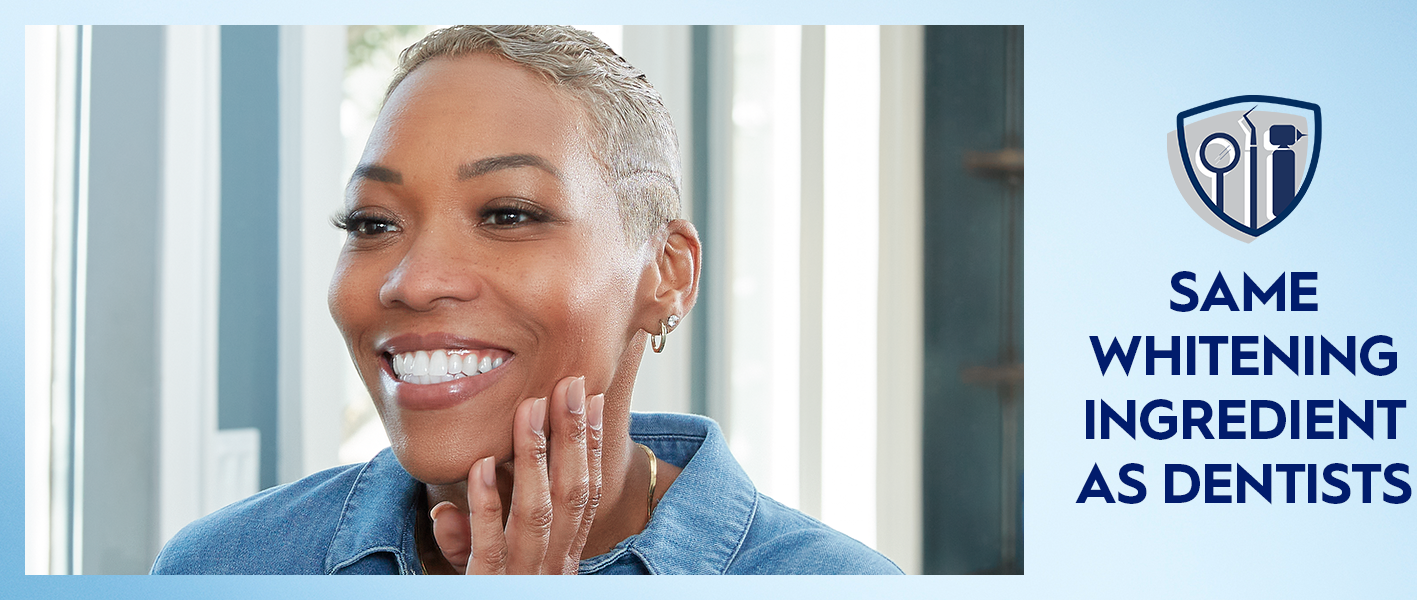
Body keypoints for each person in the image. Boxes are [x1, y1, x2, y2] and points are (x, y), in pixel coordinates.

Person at [151, 25, 900, 575]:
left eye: (508, 214)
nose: (409, 281)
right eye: (372, 223)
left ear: (666, 273)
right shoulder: (219, 567)